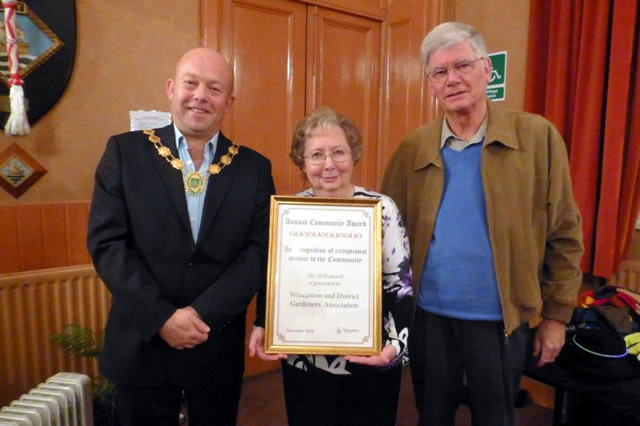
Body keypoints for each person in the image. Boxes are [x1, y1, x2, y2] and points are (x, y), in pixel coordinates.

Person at [381, 22, 584, 426]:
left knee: (495, 417)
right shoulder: (412, 149)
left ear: (487, 69)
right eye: (440, 72)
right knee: (431, 416)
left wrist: (557, 317)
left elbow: (564, 232)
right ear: (431, 83)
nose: (452, 79)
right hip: (430, 319)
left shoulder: (537, 137)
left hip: (500, 321)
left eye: (462, 65)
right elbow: (387, 234)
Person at [87, 47, 275, 426]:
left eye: (214, 88)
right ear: (172, 88)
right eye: (191, 83)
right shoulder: (125, 152)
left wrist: (201, 315)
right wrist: (161, 317)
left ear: (229, 101)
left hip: (215, 347)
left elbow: (258, 251)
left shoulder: (254, 168)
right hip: (142, 346)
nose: (200, 96)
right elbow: (108, 245)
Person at [248, 106, 413, 426]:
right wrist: (263, 323)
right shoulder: (287, 213)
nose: (328, 164)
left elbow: (401, 283)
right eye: (316, 154)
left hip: (371, 355)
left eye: (338, 152)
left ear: (353, 156)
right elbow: (274, 278)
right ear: (302, 161)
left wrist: (393, 348)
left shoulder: (382, 209)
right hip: (304, 357)